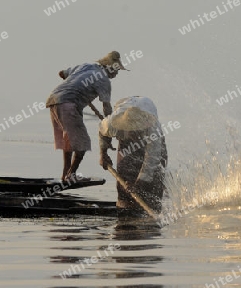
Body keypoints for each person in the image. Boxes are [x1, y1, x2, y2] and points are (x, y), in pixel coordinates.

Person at [46, 51, 127, 181]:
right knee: (81, 143)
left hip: (54, 100)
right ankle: (71, 175)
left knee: (69, 140)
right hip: (69, 103)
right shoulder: (104, 80)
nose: (117, 74)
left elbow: (62, 73)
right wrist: (111, 126)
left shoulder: (86, 66)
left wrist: (75, 83)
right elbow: (106, 107)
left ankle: (65, 176)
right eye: (116, 70)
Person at [99, 96, 168, 215]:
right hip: (124, 111)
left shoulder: (153, 130)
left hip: (148, 122)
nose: (136, 135)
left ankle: (155, 207)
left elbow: (151, 161)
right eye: (133, 132)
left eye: (138, 131)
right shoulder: (112, 124)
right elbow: (101, 131)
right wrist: (103, 153)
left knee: (155, 175)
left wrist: (138, 184)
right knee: (124, 175)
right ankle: (126, 205)